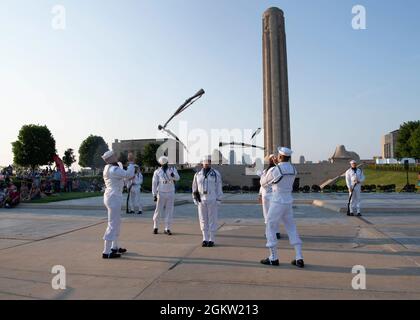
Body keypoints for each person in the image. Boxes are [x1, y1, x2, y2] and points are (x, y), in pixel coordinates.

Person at [259, 147, 304, 268]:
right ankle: (299, 257)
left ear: (280, 156)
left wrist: (269, 170)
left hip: (277, 200)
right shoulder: (293, 169)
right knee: (291, 227)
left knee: (270, 225)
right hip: (288, 201)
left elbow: (263, 183)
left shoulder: (276, 169)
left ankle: (273, 257)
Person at [102, 150, 135, 259]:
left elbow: (124, 178)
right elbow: (128, 174)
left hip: (111, 195)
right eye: (114, 155)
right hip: (114, 196)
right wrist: (131, 163)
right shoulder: (114, 169)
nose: (116, 156)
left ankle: (114, 247)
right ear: (110, 158)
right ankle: (106, 251)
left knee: (116, 222)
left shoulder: (108, 168)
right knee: (112, 223)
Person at [192, 156, 223, 247]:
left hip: (212, 198)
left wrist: (219, 199)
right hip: (201, 199)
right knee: (202, 219)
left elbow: (219, 187)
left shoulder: (216, 173)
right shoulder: (198, 174)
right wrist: (194, 198)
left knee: (212, 219)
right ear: (202, 163)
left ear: (210, 163)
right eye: (205, 162)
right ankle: (205, 238)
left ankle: (211, 239)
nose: (207, 164)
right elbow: (194, 187)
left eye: (209, 162)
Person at [152, 156, 180, 235]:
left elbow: (178, 178)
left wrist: (173, 175)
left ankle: (167, 228)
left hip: (170, 191)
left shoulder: (172, 169)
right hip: (161, 192)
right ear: (161, 164)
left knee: (169, 210)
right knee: (158, 210)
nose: (164, 165)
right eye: (163, 164)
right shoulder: (157, 172)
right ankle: (155, 226)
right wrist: (154, 194)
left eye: (165, 163)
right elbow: (154, 183)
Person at [258, 154, 281, 240]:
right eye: (270, 159)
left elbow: (263, 182)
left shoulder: (277, 170)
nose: (271, 160)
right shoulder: (265, 171)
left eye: (273, 158)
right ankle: (269, 231)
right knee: (266, 213)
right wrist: (260, 195)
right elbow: (262, 185)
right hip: (265, 194)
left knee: (274, 213)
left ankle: (276, 231)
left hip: (273, 193)